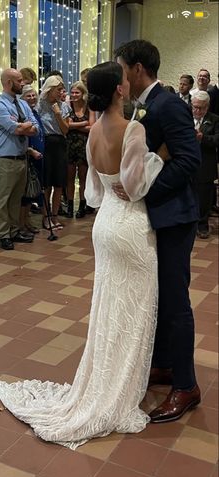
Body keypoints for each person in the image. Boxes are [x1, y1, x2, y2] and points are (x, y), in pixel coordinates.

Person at [0, 61, 165, 450]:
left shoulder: (92, 134)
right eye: (125, 79)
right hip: (132, 230)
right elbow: (137, 186)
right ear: (121, 91)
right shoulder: (133, 129)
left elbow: (93, 193)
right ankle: (118, 392)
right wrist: (159, 159)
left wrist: (118, 185)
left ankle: (102, 382)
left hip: (105, 225)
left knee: (108, 306)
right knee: (134, 310)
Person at [114, 39, 202, 422]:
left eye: (122, 68)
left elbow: (188, 161)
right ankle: (164, 364)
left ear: (136, 68)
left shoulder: (168, 104)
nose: (121, 75)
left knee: (176, 302)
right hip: (158, 216)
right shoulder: (148, 103)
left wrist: (145, 189)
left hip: (175, 217)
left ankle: (186, 386)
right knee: (161, 296)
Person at [0, 68, 39, 250]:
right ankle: (3, 235)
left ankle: (14, 231)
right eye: (19, 80)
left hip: (21, 159)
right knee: (3, 200)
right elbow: (15, 129)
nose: (23, 83)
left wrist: (24, 126)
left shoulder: (23, 103)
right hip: (5, 160)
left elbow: (35, 126)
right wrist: (24, 126)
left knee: (16, 198)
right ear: (9, 83)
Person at [38, 75, 70, 230]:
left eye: (62, 90)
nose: (60, 92)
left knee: (59, 183)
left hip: (60, 144)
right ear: (49, 89)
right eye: (58, 89)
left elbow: (65, 130)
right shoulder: (39, 105)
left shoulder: (64, 106)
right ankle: (45, 217)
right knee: (47, 183)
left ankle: (55, 215)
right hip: (46, 144)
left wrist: (58, 113)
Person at [192, 91, 219, 238]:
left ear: (207, 107)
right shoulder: (187, 118)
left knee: (204, 198)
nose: (197, 111)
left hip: (206, 165)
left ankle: (202, 225)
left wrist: (203, 138)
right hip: (189, 164)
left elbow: (217, 140)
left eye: (200, 108)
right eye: (194, 107)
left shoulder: (215, 120)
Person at [20, 85, 45, 234]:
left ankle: (27, 221)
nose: (32, 98)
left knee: (31, 192)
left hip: (38, 156)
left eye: (34, 95)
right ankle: (21, 223)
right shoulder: (23, 115)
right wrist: (30, 151)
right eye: (28, 96)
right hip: (29, 156)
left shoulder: (34, 112)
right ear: (22, 99)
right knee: (25, 193)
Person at [65, 80, 92, 218]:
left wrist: (73, 125)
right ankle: (69, 206)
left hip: (84, 146)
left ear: (83, 94)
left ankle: (82, 204)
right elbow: (66, 126)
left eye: (77, 92)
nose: (74, 95)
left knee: (83, 178)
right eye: (72, 92)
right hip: (69, 145)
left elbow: (92, 127)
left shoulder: (89, 108)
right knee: (69, 178)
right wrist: (83, 124)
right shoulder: (67, 106)